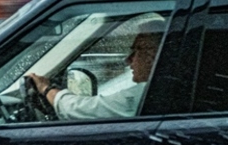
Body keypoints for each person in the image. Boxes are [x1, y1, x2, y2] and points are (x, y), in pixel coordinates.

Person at [27, 19, 165, 120]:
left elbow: (82, 109)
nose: (128, 60)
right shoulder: (159, 89)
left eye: (137, 50)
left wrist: (46, 88)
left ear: (154, 56)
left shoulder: (152, 93)